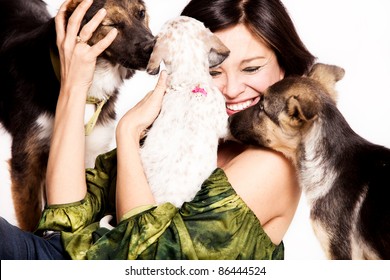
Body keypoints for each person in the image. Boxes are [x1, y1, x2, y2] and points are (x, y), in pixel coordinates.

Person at [0, 0, 315, 260]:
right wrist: (75, 84)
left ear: (285, 65)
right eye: (213, 68)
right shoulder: (187, 125)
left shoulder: (272, 166)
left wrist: (127, 134)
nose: (231, 89)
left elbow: (140, 262)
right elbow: (65, 217)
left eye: (252, 68)